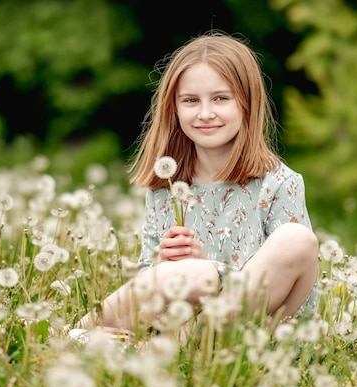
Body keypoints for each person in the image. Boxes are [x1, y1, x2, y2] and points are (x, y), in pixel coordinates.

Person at [75, 31, 319, 342]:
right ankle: (69, 335)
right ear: (174, 109)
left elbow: (290, 285)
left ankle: (186, 346)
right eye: (191, 100)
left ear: (247, 102)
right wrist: (166, 266)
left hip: (258, 337)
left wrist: (205, 271)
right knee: (168, 276)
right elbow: (149, 289)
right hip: (178, 329)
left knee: (296, 239)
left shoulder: (280, 184)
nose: (205, 113)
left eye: (221, 98)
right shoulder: (167, 186)